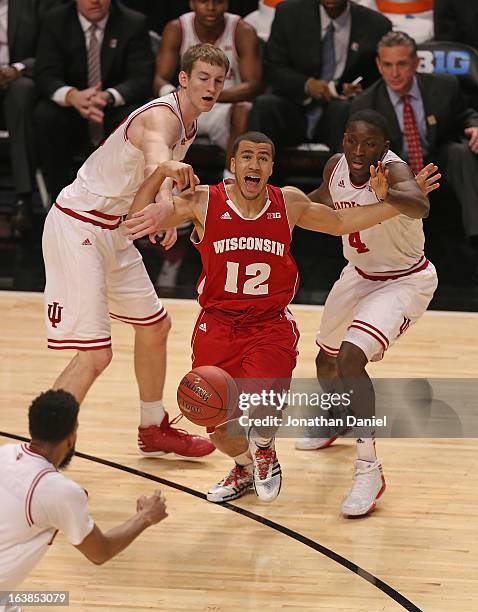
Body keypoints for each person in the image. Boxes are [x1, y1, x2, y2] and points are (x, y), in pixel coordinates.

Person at [123, 130, 425, 504]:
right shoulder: (203, 201)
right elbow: (139, 214)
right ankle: (245, 468)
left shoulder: (289, 202)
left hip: (268, 325)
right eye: (246, 156)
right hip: (216, 325)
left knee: (263, 406)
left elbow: (342, 223)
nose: (255, 163)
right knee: (214, 420)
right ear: (233, 165)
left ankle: (264, 446)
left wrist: (398, 202)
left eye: (263, 157)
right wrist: (160, 180)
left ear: (270, 168)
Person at [42, 44, 230, 458]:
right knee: (95, 355)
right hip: (79, 225)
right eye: (203, 78)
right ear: (183, 79)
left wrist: (159, 211)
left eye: (218, 81)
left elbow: (153, 178)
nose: (211, 87)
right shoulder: (161, 117)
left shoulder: (189, 124)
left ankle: (153, 427)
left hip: (115, 229)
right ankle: (42, 450)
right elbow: (155, 159)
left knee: (154, 327)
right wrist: (162, 194)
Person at [293, 110, 438, 517]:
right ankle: (339, 417)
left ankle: (369, 469)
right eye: (352, 141)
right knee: (326, 360)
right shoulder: (335, 166)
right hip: (358, 274)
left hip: (404, 279)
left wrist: (386, 194)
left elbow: (421, 205)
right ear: (343, 140)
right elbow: (321, 201)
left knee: (352, 359)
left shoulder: (393, 171)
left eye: (369, 144)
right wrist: (280, 208)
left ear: (385, 147)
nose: (359, 151)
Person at [0, 389, 168, 598]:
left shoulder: (4, 453)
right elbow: (100, 552)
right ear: (72, 437)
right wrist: (146, 516)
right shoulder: (58, 491)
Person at [350, 31, 478, 258]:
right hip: (394, 167)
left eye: (402, 64)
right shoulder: (366, 103)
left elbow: (465, 114)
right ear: (379, 66)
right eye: (387, 65)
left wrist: (475, 125)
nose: (395, 73)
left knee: (460, 152)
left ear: (416, 63)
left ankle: (475, 238)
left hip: (436, 158)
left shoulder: (445, 85)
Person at [34, 0, 155, 202]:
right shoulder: (55, 21)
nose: (95, 1)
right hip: (71, 110)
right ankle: (59, 200)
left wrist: (107, 96)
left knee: (135, 116)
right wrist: (73, 96)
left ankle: (120, 202)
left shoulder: (133, 22)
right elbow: (45, 74)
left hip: (113, 108)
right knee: (45, 115)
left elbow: (142, 77)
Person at [247, 0, 392, 153]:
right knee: (264, 106)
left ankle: (342, 176)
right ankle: (258, 175)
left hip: (339, 110)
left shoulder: (376, 25)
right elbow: (273, 67)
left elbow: (378, 80)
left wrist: (357, 93)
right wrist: (307, 85)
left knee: (348, 112)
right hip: (294, 104)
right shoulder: (288, 13)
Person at [154, 0, 262, 175]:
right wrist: (173, 96)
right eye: (204, 1)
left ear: (226, 4)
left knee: (245, 109)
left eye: (217, 2)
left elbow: (253, 85)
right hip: (185, 106)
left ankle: (231, 182)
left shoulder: (242, 30)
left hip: (224, 108)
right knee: (163, 109)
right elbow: (159, 79)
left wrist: (208, 95)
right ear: (192, 3)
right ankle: (166, 181)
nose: (211, 7)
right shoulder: (177, 28)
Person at [0, 0, 56, 237]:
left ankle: (23, 198)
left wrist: (17, 69)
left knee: (21, 91)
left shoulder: (31, 4)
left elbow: (49, 46)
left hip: (17, 78)